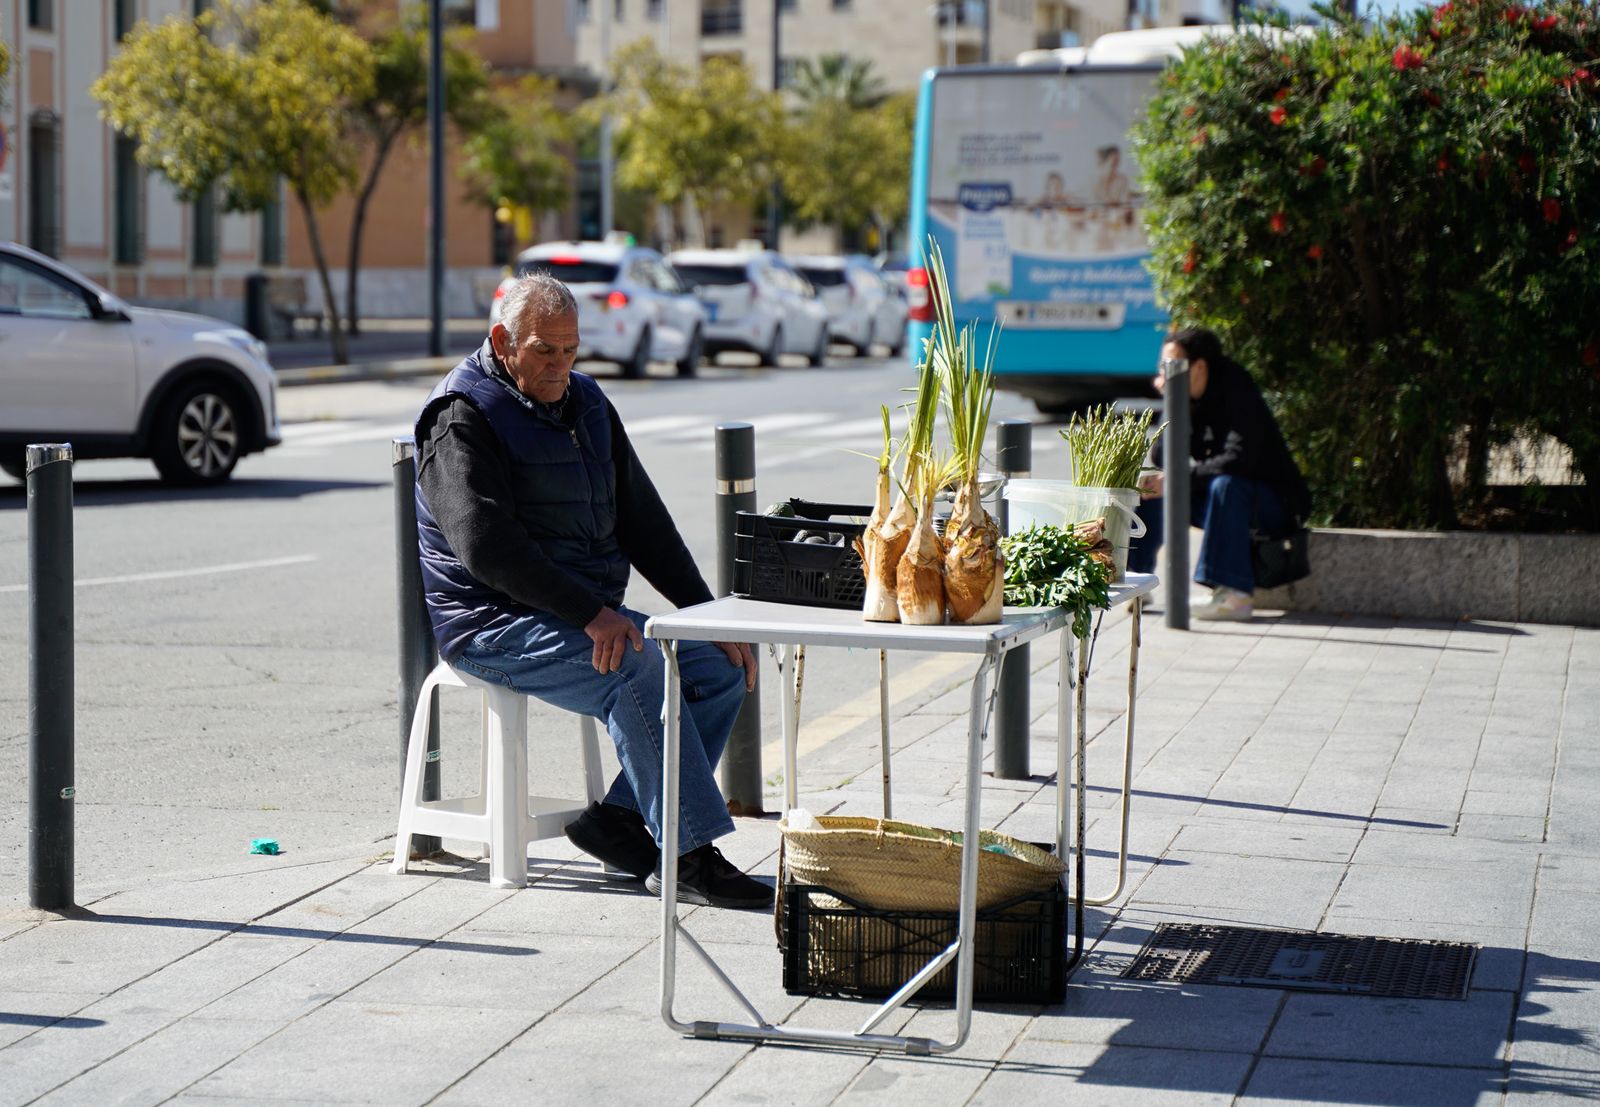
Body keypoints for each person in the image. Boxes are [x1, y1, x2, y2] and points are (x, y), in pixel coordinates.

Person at [412, 271, 770, 910]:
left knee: (719, 664)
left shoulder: (587, 402)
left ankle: (620, 823)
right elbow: (486, 547)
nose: (560, 366)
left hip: (582, 615)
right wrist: (592, 614)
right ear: (502, 340)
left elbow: (645, 523)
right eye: (544, 350)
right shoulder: (459, 415)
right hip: (490, 622)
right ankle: (688, 856)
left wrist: (706, 614)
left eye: (571, 350)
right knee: (635, 669)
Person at [1127, 327, 1311, 621]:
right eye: (1163, 367)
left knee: (1222, 485)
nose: (1164, 375)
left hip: (1272, 504)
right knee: (1150, 485)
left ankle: (1234, 594)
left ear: (1199, 366)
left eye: (1172, 367)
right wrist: (1173, 403)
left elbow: (1238, 460)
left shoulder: (1236, 387)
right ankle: (1137, 580)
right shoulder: (1186, 395)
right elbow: (1161, 456)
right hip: (1225, 500)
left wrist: (1177, 479)